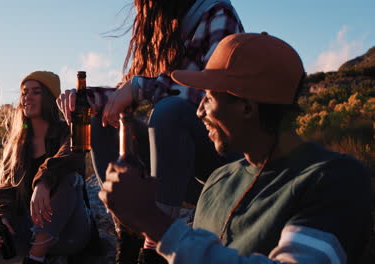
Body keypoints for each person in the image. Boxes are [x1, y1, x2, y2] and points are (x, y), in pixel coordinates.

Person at [99, 33, 372, 264]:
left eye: (208, 98)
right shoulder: (219, 182)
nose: (199, 112)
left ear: (247, 108)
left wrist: (154, 223)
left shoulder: (335, 179)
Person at [58, 0, 243, 262]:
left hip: (225, 161)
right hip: (178, 166)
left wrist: (138, 88)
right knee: (102, 120)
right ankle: (129, 235)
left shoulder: (215, 12)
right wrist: (88, 99)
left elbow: (211, 96)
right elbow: (130, 91)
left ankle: (154, 247)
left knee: (169, 111)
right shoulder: (160, 30)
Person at [0, 71, 94, 264]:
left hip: (70, 231)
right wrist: (2, 220)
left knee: (71, 178)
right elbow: (3, 189)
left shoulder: (68, 131)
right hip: (29, 228)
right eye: (24, 92)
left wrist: (43, 183)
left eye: (36, 92)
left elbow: (72, 157)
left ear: (50, 98)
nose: (27, 97)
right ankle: (33, 248)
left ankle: (36, 257)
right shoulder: (17, 144)